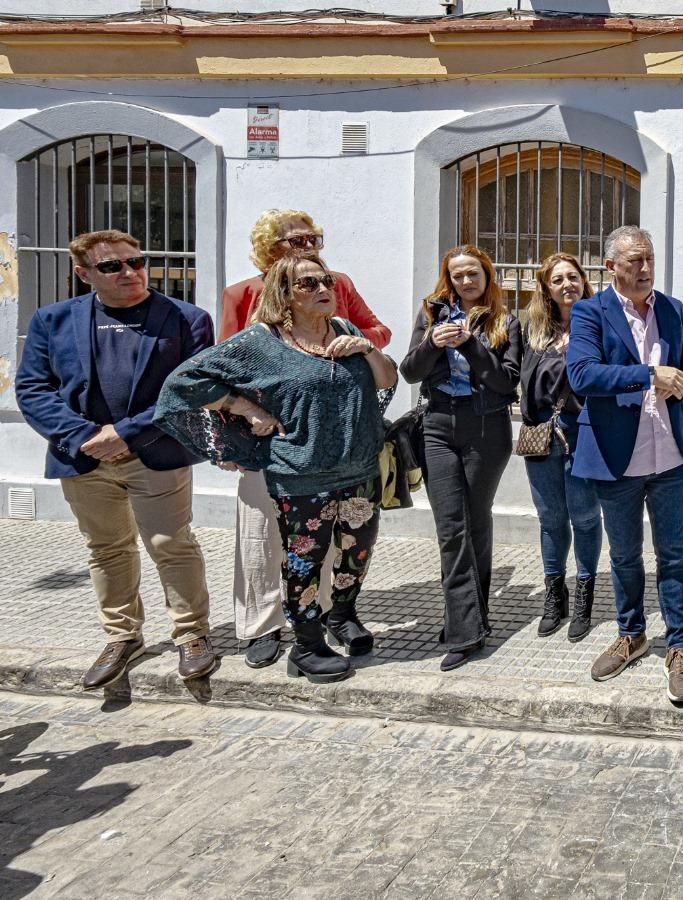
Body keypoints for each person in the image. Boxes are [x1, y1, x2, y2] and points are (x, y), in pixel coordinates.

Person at [155, 254, 399, 684]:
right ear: (283, 295)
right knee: (305, 560)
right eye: (308, 284)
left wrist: (368, 348)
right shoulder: (260, 343)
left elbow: (385, 380)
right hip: (299, 471)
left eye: (326, 280)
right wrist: (243, 406)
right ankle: (306, 645)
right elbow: (184, 383)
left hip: (358, 465)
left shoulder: (345, 330)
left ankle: (341, 615)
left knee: (356, 552)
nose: (323, 288)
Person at [16, 229, 219, 689]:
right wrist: (86, 436)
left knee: (172, 543)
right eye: (112, 266)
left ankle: (192, 634)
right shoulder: (53, 320)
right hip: (84, 458)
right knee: (106, 548)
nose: (129, 272)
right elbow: (32, 389)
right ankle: (122, 636)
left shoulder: (186, 318)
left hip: (155, 451)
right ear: (83, 273)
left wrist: (124, 433)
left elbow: (191, 389)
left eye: (135, 261)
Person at [220, 209, 392, 669]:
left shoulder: (336, 284)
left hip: (333, 438)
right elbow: (222, 368)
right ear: (271, 250)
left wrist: (356, 343)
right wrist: (236, 429)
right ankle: (263, 626)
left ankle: (331, 617)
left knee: (329, 540)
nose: (310, 248)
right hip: (266, 436)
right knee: (263, 536)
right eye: (297, 242)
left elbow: (377, 330)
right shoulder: (242, 294)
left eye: (314, 238)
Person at [567, 226, 683, 704]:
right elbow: (582, 374)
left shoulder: (671, 308)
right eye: (634, 261)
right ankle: (632, 634)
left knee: (674, 557)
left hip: (668, 455)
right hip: (616, 458)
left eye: (649, 259)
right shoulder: (589, 311)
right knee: (624, 556)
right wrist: (649, 374)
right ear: (611, 267)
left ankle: (680, 647)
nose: (645, 269)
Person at [400, 246, 523, 672]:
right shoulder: (431, 316)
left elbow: (505, 383)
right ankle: (465, 629)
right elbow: (410, 371)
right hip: (437, 426)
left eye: (474, 274)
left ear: (487, 277)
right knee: (452, 528)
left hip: (486, 430)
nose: (466, 282)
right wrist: (433, 342)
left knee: (476, 521)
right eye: (458, 276)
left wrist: (471, 344)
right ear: (448, 280)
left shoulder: (506, 321)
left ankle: (470, 617)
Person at [521, 252, 604, 642]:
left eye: (573, 277)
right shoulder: (535, 331)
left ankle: (586, 592)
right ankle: (556, 594)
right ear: (546, 288)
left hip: (583, 431)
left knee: (585, 517)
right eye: (558, 280)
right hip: (541, 433)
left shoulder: (599, 324)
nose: (567, 284)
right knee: (550, 518)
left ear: (584, 281)